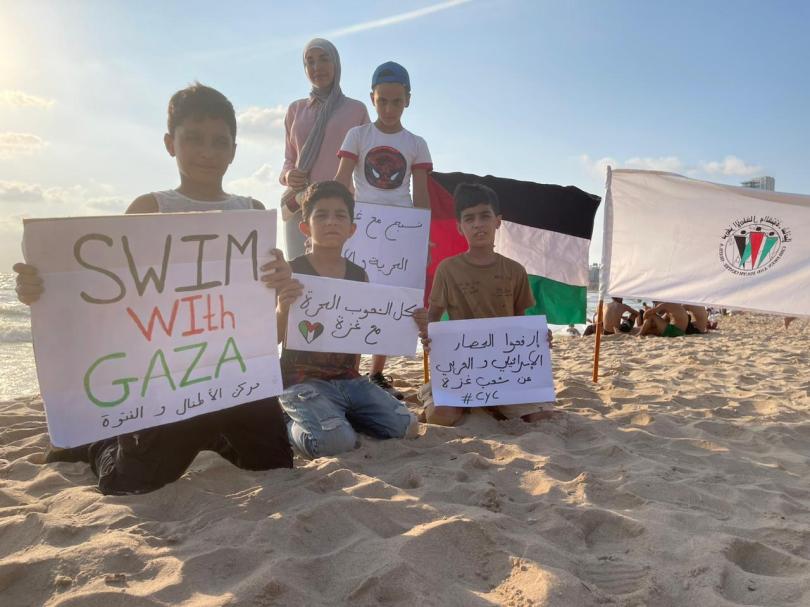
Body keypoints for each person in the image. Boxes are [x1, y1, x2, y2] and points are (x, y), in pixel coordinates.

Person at [14, 83, 301, 495]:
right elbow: (102, 297)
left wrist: (282, 291)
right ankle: (97, 445)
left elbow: (263, 333)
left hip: (236, 378)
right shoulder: (149, 209)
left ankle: (209, 436)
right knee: (127, 483)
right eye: (193, 138)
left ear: (234, 150)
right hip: (167, 383)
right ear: (170, 144)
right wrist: (43, 290)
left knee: (276, 464)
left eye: (220, 142)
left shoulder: (251, 215)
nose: (207, 152)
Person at [276, 180, 424, 458]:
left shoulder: (359, 275)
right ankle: (288, 421)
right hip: (302, 380)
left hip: (349, 379)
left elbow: (366, 331)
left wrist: (412, 320)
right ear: (305, 227)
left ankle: (337, 414)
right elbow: (271, 338)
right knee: (334, 443)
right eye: (321, 215)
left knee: (407, 426)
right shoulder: (291, 272)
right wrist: (282, 308)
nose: (331, 221)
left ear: (351, 229)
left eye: (340, 215)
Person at [335, 61, 433, 398]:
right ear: (372, 99)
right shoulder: (358, 135)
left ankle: (376, 372)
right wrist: (330, 221)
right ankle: (348, 369)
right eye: (382, 101)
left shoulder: (416, 143)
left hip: (402, 230)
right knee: (353, 296)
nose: (389, 108)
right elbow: (341, 181)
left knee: (390, 300)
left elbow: (421, 195)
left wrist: (422, 238)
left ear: (408, 100)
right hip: (360, 227)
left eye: (397, 101)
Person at [420, 183, 552, 426]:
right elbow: (434, 315)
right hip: (459, 367)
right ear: (459, 227)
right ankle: (432, 393)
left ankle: (491, 403)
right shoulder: (447, 269)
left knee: (540, 418)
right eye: (469, 219)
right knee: (441, 418)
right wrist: (429, 336)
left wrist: (538, 339)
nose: (478, 224)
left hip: (505, 368)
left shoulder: (515, 270)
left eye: (485, 216)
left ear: (498, 221)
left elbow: (520, 320)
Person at [280, 39, 370, 259]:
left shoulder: (356, 110)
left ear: (336, 63)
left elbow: (367, 164)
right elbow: (289, 159)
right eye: (309, 62)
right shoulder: (295, 110)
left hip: (339, 210)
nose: (316, 67)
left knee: (339, 273)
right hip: (300, 207)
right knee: (299, 273)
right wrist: (289, 175)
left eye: (323, 59)